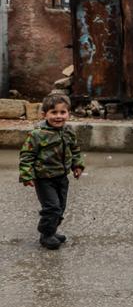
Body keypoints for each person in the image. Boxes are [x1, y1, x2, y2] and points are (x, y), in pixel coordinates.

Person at [19, 93, 85, 250]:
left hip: (62, 177)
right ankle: (46, 235)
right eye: (54, 112)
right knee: (52, 208)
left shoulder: (68, 131)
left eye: (63, 112)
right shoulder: (37, 134)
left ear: (68, 113)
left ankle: (52, 231)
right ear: (44, 114)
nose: (58, 116)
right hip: (44, 178)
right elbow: (27, 155)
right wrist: (27, 175)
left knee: (60, 207)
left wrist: (77, 165)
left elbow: (74, 150)